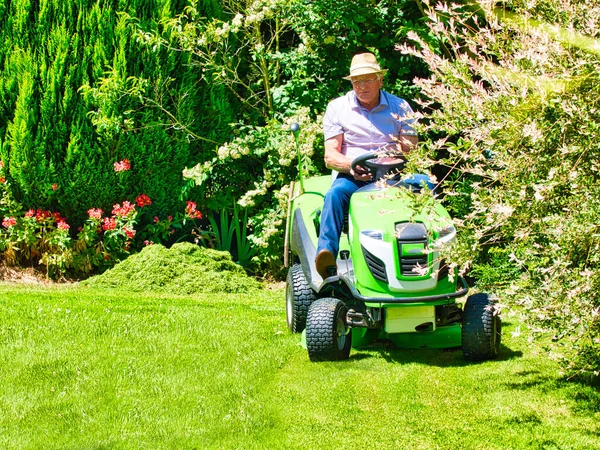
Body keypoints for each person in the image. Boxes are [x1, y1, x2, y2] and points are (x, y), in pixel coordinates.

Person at [315, 52, 428, 279]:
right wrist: (350, 166)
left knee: (427, 185)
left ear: (380, 80)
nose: (361, 86)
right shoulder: (337, 108)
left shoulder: (400, 106)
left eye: (367, 80)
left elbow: (412, 151)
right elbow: (330, 156)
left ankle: (434, 253)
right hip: (354, 176)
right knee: (335, 195)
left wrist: (390, 162)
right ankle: (326, 255)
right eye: (357, 81)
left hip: (394, 175)